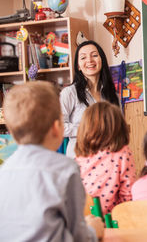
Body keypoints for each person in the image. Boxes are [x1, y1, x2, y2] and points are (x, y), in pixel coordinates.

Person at [0, 81, 104, 241]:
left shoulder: (4, 171)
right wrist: (93, 229)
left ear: (12, 133)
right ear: (57, 128)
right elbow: (79, 236)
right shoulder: (66, 169)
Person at [60, 40, 119, 158]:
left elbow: (118, 127)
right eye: (83, 58)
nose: (89, 61)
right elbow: (59, 126)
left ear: (102, 60)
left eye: (94, 55)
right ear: (78, 66)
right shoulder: (70, 93)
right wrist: (88, 129)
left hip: (108, 161)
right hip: (80, 161)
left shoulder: (112, 94)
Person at [75, 101, 136, 215]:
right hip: (111, 223)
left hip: (82, 221)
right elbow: (128, 196)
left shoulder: (80, 157)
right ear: (119, 128)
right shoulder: (122, 154)